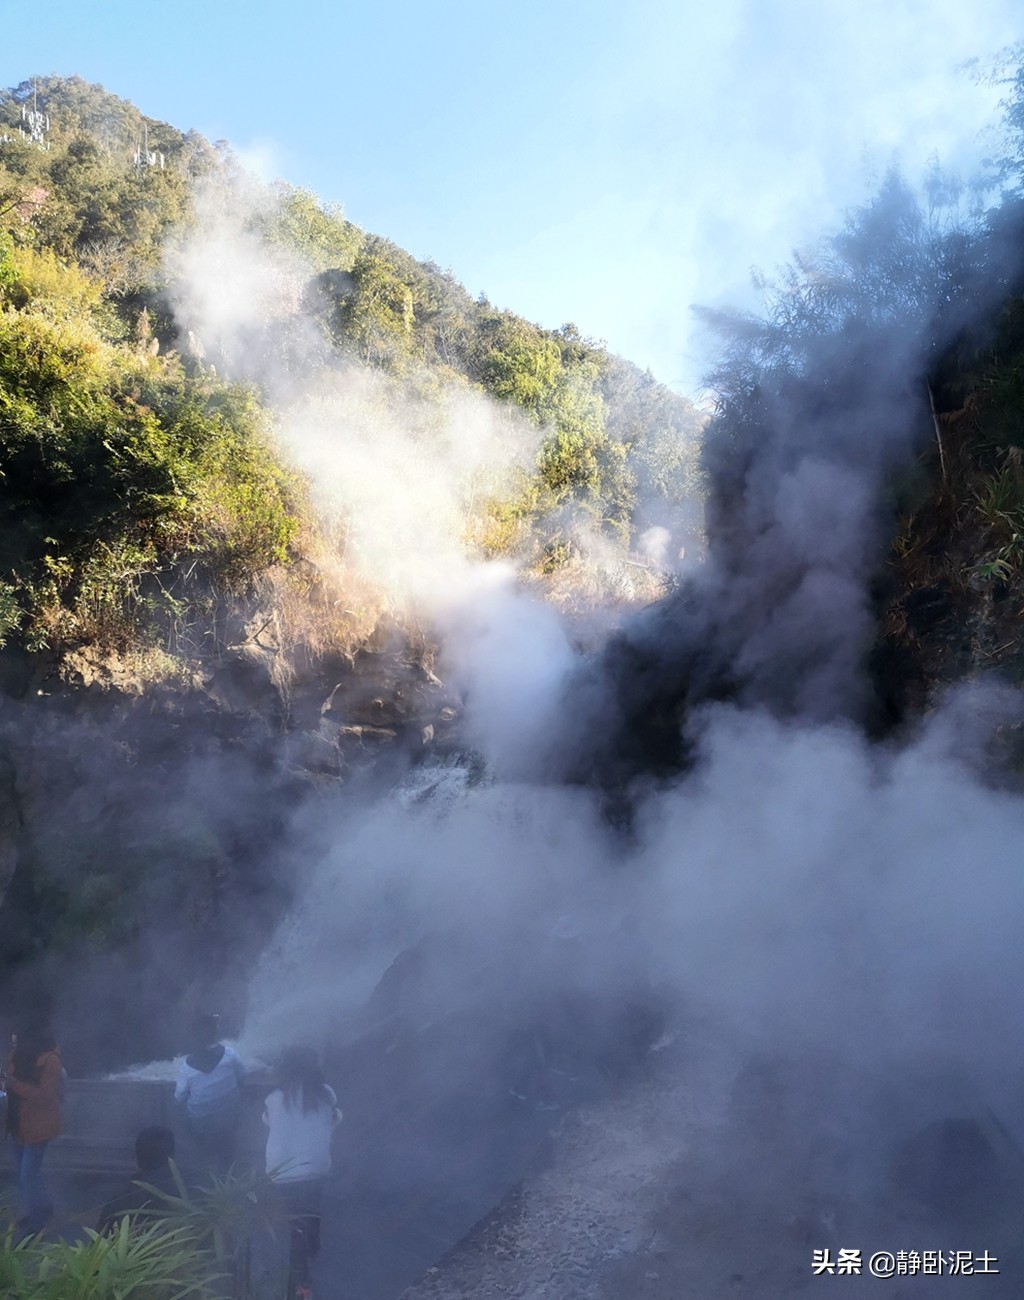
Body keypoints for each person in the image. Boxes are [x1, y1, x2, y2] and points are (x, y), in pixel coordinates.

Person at [263, 1047, 342, 1291]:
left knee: (294, 1221)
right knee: (312, 1201)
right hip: (316, 1167)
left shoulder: (275, 1098)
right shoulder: (326, 1094)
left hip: (282, 1172)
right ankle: (314, 1243)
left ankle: (301, 1281)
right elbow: (335, 1118)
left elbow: (267, 1120)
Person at [2, 1024, 63, 1235]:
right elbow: (8, 1077)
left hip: (40, 1124)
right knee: (25, 1172)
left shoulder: (50, 1061)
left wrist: (13, 1084)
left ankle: (38, 1223)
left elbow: (44, 1096)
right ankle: (42, 1208)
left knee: (29, 1173)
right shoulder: (17, 1055)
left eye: (16, 1040)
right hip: (17, 1122)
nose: (13, 1043)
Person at [174, 1014, 245, 1170]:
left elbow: (179, 1097)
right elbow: (242, 1076)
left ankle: (201, 1165)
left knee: (187, 1118)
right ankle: (229, 1169)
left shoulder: (187, 1066)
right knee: (227, 1151)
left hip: (200, 1124)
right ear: (215, 1033)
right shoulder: (230, 1055)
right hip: (229, 1120)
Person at [98, 1125, 181, 1233]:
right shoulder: (192, 1195)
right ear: (173, 1155)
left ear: (137, 1157)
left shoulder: (121, 1201)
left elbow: (99, 1241)